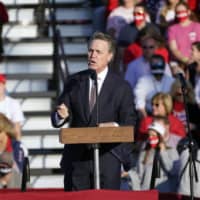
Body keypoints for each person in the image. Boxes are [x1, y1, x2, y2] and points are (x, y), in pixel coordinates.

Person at [51, 32, 136, 191]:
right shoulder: (75, 81)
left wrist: (115, 127)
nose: (93, 55)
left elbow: (130, 122)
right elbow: (58, 116)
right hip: (78, 160)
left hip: (108, 158)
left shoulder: (121, 87)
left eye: (98, 52)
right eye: (90, 51)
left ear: (110, 56)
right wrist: (60, 116)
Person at [128, 119, 180, 192]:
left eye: (153, 135)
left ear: (160, 136)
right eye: (149, 135)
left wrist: (163, 152)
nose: (150, 138)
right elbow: (139, 173)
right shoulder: (145, 151)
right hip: (145, 192)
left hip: (163, 193)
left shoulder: (171, 151)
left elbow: (172, 171)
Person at [167, 1, 200, 65]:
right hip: (178, 62)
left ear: (189, 12)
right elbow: (174, 49)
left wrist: (195, 60)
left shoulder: (197, 26)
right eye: (178, 12)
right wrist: (186, 60)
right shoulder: (172, 29)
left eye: (182, 11)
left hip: (197, 60)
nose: (180, 14)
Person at [0, 74, 25, 141]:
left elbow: (17, 129)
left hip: (8, 142)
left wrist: (18, 144)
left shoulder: (13, 104)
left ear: (4, 85)